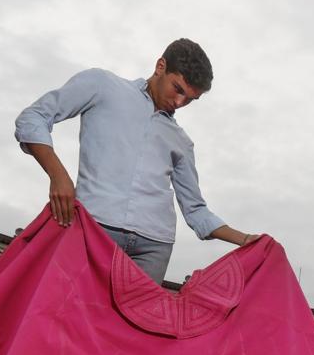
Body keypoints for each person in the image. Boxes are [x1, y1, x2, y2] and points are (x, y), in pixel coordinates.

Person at [14, 38, 259, 284]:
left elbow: (195, 210)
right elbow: (33, 117)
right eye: (178, 89)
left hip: (154, 247)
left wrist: (246, 239)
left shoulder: (182, 141)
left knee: (133, 323)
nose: (179, 103)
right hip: (94, 228)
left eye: (190, 100)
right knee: (68, 315)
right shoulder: (102, 85)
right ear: (160, 66)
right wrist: (58, 175)